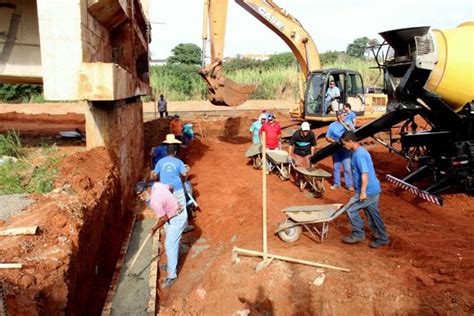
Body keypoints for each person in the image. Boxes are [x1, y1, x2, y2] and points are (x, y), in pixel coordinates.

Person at [339, 131, 390, 248]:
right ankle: (382, 238)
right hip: (372, 189)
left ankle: (358, 234)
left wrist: (362, 192)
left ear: (350, 141)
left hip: (368, 191)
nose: (344, 146)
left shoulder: (359, 154)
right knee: (373, 214)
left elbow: (365, 174)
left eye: (344, 143)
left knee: (351, 210)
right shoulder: (357, 152)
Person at [136, 180, 187, 288]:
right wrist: (169, 202)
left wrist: (154, 229)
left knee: (169, 245)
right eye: (139, 196)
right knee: (171, 241)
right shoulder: (157, 185)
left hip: (177, 218)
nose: (141, 198)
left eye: (141, 195)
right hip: (172, 214)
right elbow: (170, 188)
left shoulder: (155, 201)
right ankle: (173, 260)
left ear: (147, 189)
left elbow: (163, 219)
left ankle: (172, 276)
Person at [153, 136, 194, 232]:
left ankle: (167, 228)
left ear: (167, 152)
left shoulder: (160, 162)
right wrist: (187, 168)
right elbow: (184, 173)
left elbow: (155, 174)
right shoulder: (179, 162)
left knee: (167, 208)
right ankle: (184, 227)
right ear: (175, 152)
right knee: (181, 207)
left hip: (165, 190)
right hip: (177, 188)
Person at [326, 110, 353, 191]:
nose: (344, 117)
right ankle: (337, 184)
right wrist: (333, 141)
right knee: (336, 167)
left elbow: (354, 133)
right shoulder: (332, 126)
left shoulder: (347, 123)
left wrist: (349, 127)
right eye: (342, 115)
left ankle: (349, 185)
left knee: (347, 168)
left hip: (346, 149)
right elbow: (327, 137)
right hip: (336, 149)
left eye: (345, 115)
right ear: (338, 116)